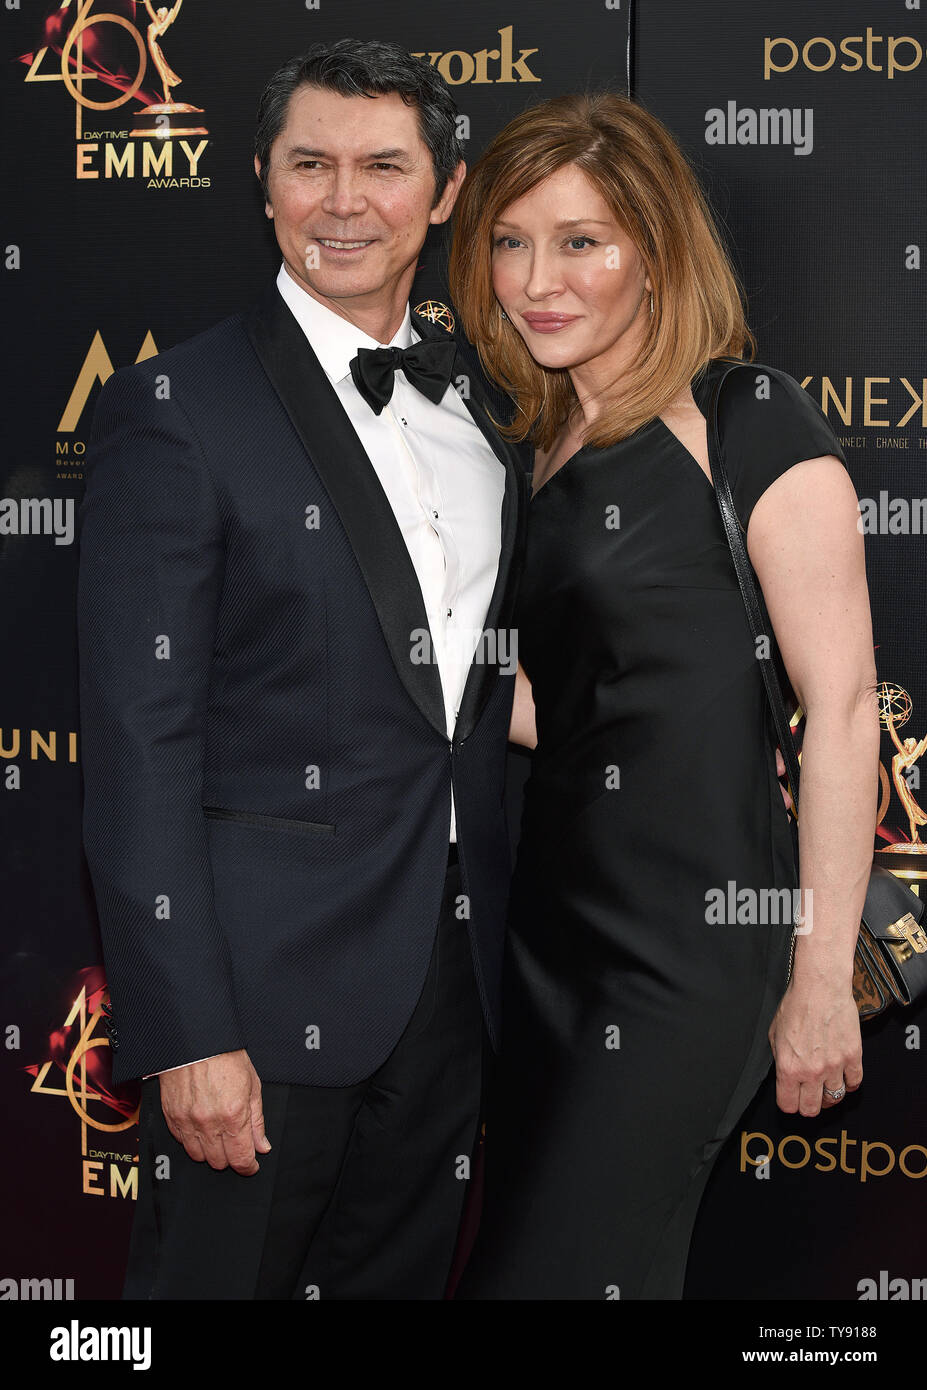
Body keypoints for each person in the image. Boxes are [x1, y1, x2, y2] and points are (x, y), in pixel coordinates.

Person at [77, 39, 528, 1301]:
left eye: (384, 167)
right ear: (263, 183)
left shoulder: (486, 411)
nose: (344, 202)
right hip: (256, 1001)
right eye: (310, 165)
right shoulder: (178, 407)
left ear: (443, 192)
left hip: (449, 987)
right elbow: (134, 740)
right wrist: (189, 1030)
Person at [447, 92, 880, 1300]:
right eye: (512, 239)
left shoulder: (746, 423)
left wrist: (818, 977)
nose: (541, 277)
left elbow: (843, 711)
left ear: (656, 251)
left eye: (584, 241)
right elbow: (566, 707)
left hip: (692, 952)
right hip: (548, 943)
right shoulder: (534, 448)